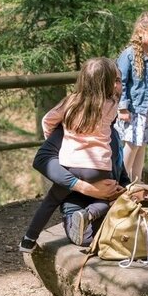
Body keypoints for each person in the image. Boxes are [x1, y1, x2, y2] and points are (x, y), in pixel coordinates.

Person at [30, 125, 148, 265]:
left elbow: (122, 178)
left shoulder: (111, 132)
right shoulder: (69, 131)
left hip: (115, 206)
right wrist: (85, 187)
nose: (116, 109)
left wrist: (131, 191)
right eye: (112, 103)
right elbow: (42, 161)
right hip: (84, 224)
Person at [18, 58, 121, 252]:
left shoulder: (71, 102)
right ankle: (89, 213)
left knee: (50, 201)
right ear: (108, 82)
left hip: (71, 164)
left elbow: (47, 120)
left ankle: (28, 240)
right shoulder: (112, 104)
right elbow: (112, 123)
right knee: (109, 197)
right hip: (98, 166)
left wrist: (54, 137)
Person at [116, 11, 148, 183]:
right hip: (133, 110)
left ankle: (136, 183)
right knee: (132, 145)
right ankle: (121, 183)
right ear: (140, 31)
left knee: (141, 146)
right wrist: (122, 107)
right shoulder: (129, 55)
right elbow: (120, 82)